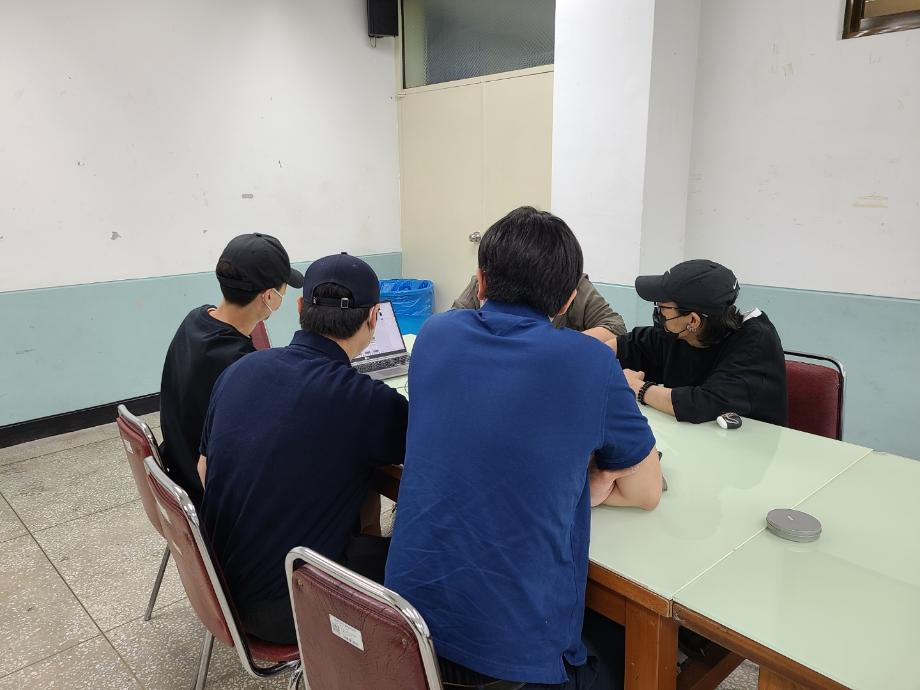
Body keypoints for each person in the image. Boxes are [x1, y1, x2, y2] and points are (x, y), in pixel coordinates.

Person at [386, 207, 662, 689]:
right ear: (569, 299)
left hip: (403, 635)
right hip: (516, 665)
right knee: (644, 653)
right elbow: (647, 493)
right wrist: (587, 484)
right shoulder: (590, 364)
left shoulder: (434, 335)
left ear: (480, 281)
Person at [197, 252, 409, 645]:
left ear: (299, 307)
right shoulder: (369, 402)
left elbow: (204, 470)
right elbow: (424, 463)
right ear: (374, 317)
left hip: (217, 586)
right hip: (289, 608)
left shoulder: (240, 370)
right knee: (422, 560)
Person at [159, 233, 303, 506]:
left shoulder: (195, 319)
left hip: (180, 474)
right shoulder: (240, 364)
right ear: (269, 297)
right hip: (212, 497)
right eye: (283, 290)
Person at [611, 260, 787, 426]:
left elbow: (705, 403)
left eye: (662, 307)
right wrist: (596, 354)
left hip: (749, 444)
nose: (658, 311)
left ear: (693, 320)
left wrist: (638, 388)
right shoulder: (679, 333)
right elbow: (628, 345)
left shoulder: (756, 342)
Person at [453, 273, 626, 341]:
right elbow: (454, 328)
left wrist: (558, 345)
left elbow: (615, 328)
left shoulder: (569, 283)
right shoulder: (488, 279)